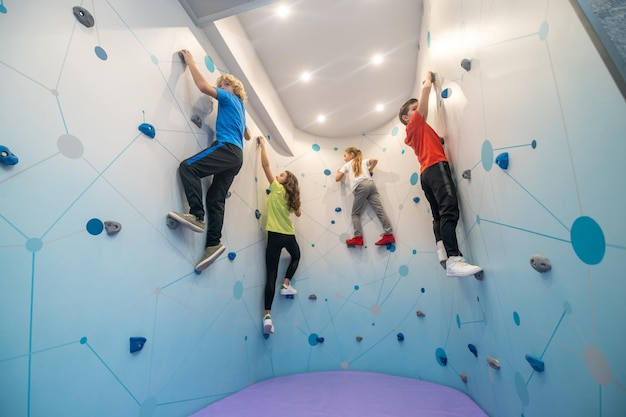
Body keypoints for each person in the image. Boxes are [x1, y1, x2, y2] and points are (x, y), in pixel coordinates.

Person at [169, 49, 251, 271]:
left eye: (224, 84)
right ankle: (213, 243)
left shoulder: (228, 97)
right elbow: (248, 134)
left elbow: (204, 87)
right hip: (237, 157)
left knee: (188, 167)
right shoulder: (241, 108)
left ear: (233, 89)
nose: (221, 87)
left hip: (226, 148)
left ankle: (197, 216)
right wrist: (244, 131)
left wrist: (191, 62)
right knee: (216, 198)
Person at [398, 71, 482, 277]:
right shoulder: (414, 125)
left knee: (438, 214)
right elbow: (425, 100)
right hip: (435, 167)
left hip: (426, 173)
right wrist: (428, 81)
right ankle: (454, 259)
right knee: (449, 210)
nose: (419, 111)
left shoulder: (417, 133)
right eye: (414, 109)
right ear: (406, 117)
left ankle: (442, 249)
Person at [258, 136, 302, 334]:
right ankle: (286, 284)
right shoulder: (292, 198)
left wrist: (263, 146)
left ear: (286, 181)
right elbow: (299, 212)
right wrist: (297, 207)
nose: (277, 175)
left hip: (274, 236)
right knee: (296, 256)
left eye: (281, 174)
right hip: (288, 235)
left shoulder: (276, 188)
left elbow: (265, 165)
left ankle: (267, 315)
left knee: (270, 276)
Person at [335, 147, 395, 247]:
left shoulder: (347, 165)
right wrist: (370, 169)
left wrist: (339, 172)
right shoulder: (363, 161)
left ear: (351, 155)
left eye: (345, 156)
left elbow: (337, 178)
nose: (344, 159)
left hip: (360, 187)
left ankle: (358, 238)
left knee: (355, 214)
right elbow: (375, 160)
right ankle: (389, 234)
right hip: (371, 185)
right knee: (379, 210)